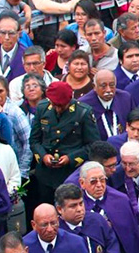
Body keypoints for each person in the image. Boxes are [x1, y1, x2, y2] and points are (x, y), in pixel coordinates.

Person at [28, 82, 99, 211]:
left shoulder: (83, 112)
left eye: (61, 106)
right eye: (55, 105)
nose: (58, 109)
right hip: (46, 175)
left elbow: (92, 145)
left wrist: (71, 158)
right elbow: (34, 140)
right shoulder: (42, 108)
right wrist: (43, 156)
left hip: (70, 173)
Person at [23, 204, 97, 253]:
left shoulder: (76, 243)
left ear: (58, 220)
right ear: (34, 225)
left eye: (53, 223)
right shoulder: (25, 247)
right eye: (44, 225)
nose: (50, 229)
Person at [76, 71, 131, 141]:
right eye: (103, 86)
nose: (108, 90)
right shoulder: (83, 104)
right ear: (94, 87)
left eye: (112, 85)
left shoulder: (124, 98)